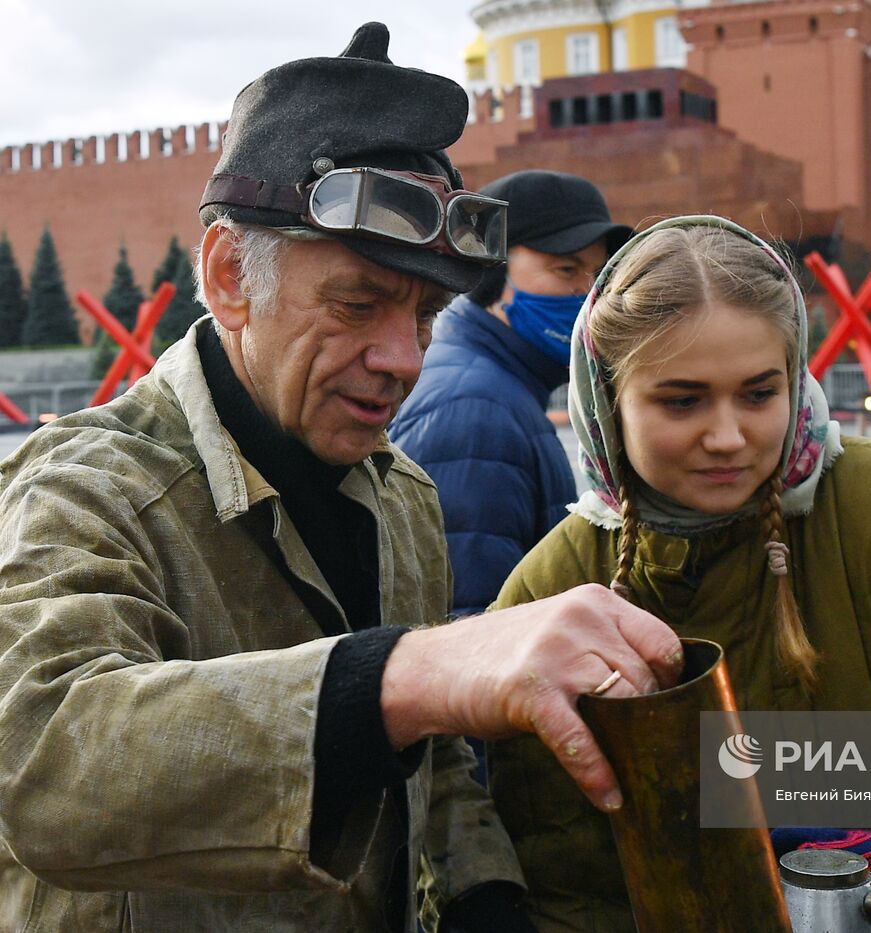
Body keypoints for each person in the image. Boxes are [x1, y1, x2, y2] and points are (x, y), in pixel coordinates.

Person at [0, 24, 680, 932]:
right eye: (358, 302)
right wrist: (407, 673)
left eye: (426, 314)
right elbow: (43, 763)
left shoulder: (401, 493)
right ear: (232, 274)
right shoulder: (84, 487)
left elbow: (432, 774)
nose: (402, 359)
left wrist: (487, 898)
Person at [486, 216, 871, 932]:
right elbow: (558, 876)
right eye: (681, 400)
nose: (727, 437)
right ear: (605, 399)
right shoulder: (550, 589)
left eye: (759, 393)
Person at [391, 170, 631, 616]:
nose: (588, 293)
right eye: (566, 269)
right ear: (491, 272)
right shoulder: (475, 413)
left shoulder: (501, 386)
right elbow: (468, 625)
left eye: (595, 273)